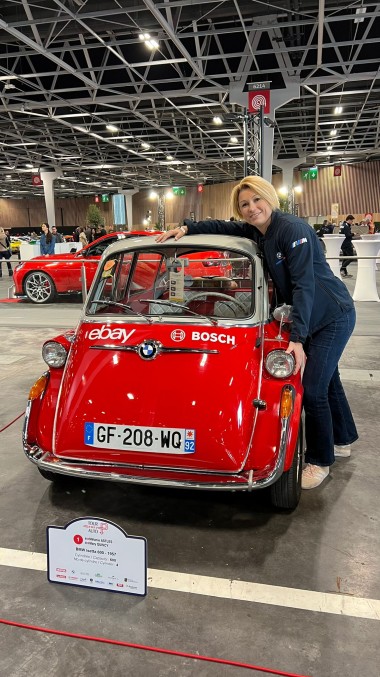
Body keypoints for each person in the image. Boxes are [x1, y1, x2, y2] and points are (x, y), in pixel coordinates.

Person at [156, 175, 358, 490]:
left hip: (331, 314)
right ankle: (343, 439)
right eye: (245, 204)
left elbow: (305, 286)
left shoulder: (292, 230)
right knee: (329, 379)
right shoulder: (258, 231)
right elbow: (224, 227)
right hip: (312, 314)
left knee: (314, 388)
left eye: (256, 201)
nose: (252, 209)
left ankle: (320, 461)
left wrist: (297, 339)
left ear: (269, 199)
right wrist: (187, 228)